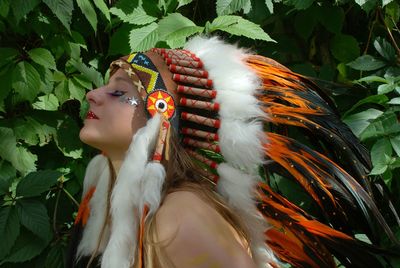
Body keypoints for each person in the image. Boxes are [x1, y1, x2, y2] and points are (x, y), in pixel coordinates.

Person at [67, 36, 399, 268]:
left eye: (120, 93)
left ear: (161, 115)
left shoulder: (181, 215)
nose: (93, 95)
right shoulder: (117, 209)